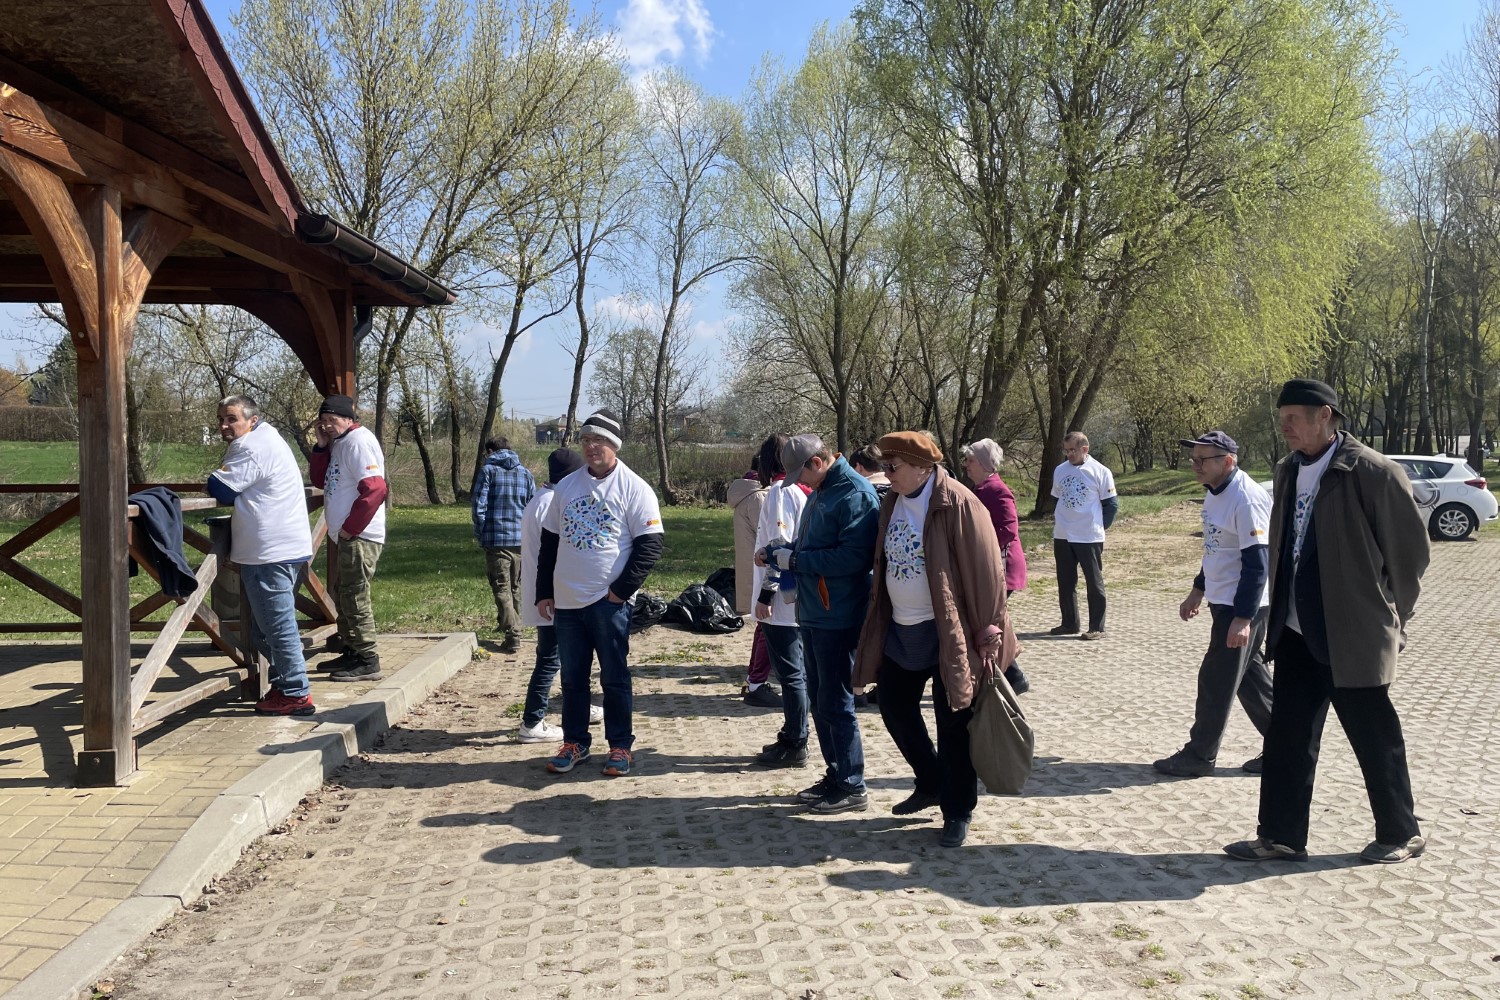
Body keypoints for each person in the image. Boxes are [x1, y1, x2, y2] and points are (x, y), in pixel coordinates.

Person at [1225, 379, 1430, 865]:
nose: (1286, 427)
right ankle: (1280, 837)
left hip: (1353, 633)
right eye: (1282, 419)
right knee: (1287, 739)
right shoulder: (1288, 470)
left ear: (1326, 415)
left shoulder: (1373, 471)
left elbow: (1410, 556)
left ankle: (1401, 833)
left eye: (1294, 418)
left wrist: (1394, 619)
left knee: (1374, 737)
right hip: (1296, 631)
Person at [853, 432, 1015, 848]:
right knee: (893, 705)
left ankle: (958, 810)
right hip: (901, 630)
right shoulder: (892, 501)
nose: (887, 474)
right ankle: (931, 781)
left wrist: (990, 630)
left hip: (948, 632)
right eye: (884, 466)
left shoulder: (959, 503)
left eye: (893, 467)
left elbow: (988, 572)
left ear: (923, 467)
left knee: (954, 721)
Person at [535, 409, 664, 778]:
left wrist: (621, 591)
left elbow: (650, 545)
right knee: (572, 678)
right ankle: (575, 742)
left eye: (600, 440)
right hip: (567, 602)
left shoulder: (635, 488)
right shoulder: (566, 487)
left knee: (614, 677)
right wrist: (544, 590)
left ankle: (620, 746)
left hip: (608, 604)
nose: (591, 447)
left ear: (615, 445)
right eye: (586, 440)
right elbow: (549, 542)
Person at [758, 433, 878, 813]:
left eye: (802, 475)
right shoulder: (823, 492)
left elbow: (853, 559)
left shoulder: (854, 494)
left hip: (838, 615)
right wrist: (780, 552)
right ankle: (836, 773)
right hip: (813, 611)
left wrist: (796, 561)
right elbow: (810, 546)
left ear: (817, 462)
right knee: (820, 699)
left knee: (836, 702)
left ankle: (852, 783)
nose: (801, 484)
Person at [1153, 430, 1274, 777]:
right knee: (1250, 680)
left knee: (1215, 681)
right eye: (1193, 459)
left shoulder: (1245, 499)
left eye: (1203, 459)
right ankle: (1288, 748)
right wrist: (1198, 589)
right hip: (1225, 603)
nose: (1196, 465)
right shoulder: (1215, 492)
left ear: (1228, 461)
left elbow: (1257, 564)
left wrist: (1243, 618)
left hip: (1243, 607)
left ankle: (1200, 755)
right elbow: (1216, 548)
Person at [207, 395, 316, 716]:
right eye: (221, 419)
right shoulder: (268, 437)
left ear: (252, 420)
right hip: (283, 548)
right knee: (264, 629)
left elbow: (221, 488)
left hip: (270, 553)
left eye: (232, 419)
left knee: (277, 627)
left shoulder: (250, 446)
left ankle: (296, 692)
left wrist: (215, 480)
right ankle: (285, 683)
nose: (224, 426)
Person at [515, 448, 602, 743]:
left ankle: (578, 707)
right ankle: (532, 722)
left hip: (549, 593)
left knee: (568, 656)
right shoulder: (552, 503)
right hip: (552, 597)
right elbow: (554, 553)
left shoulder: (541, 499)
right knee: (550, 658)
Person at [310, 394, 388, 682]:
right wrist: (321, 446)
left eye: (333, 420)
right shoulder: (339, 442)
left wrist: (350, 528)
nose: (328, 425)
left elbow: (376, 488)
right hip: (348, 536)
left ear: (348, 419)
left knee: (354, 596)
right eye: (323, 420)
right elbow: (320, 480)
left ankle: (368, 659)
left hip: (360, 535)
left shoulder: (358, 442)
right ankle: (352, 650)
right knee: (343, 593)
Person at [749, 433, 812, 767]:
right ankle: (793, 734)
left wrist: (765, 595)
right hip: (797, 594)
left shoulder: (780, 492)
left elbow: (780, 545)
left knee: (790, 674)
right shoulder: (803, 491)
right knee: (795, 672)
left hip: (783, 599)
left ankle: (795, 740)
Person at [961, 438, 1030, 694]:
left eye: (970, 460)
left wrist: (981, 549)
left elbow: (1008, 529)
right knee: (988, 622)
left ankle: (1012, 676)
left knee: (989, 623)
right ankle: (1007, 675)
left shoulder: (997, 490)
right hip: (987, 568)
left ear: (984, 464)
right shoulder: (979, 489)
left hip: (1001, 567)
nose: (966, 465)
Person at [1050, 431, 1117, 640]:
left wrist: (1099, 527)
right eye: (1066, 450)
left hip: (1088, 536)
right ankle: (1069, 623)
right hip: (1063, 534)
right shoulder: (1060, 470)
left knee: (1094, 582)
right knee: (1065, 581)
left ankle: (1097, 627)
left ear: (1084, 449)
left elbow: (1111, 505)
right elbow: (1056, 498)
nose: (1069, 454)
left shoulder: (1100, 471)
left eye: (1073, 450)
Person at [472, 436, 536, 654]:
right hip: (520, 540)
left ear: (490, 451)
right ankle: (508, 624)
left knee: (501, 587)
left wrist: (480, 533)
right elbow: (532, 507)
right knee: (515, 587)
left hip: (496, 539)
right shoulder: (525, 473)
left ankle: (513, 632)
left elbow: (479, 506)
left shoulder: (488, 472)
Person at [728, 458, 777, 707]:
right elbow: (771, 538)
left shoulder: (748, 492)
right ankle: (756, 681)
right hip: (762, 572)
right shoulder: (759, 497)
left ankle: (754, 679)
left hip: (756, 571)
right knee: (766, 628)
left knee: (763, 627)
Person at [848, 443, 889, 707]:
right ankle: (884, 685)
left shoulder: (862, 493)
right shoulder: (900, 490)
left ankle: (858, 688)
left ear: (859, 467)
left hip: (867, 570)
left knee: (861, 631)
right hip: (897, 572)